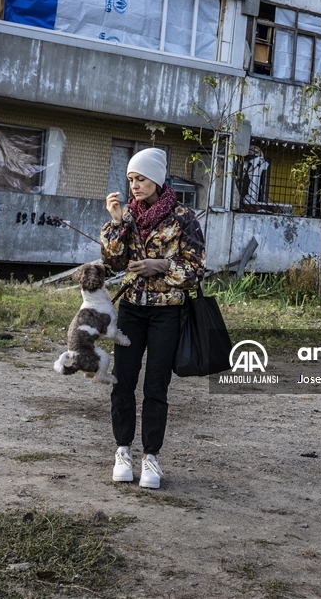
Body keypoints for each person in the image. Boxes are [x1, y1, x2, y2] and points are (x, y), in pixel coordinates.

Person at [100, 148, 205, 489]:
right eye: (130, 179)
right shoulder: (127, 218)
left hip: (167, 313)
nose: (134, 186)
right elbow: (113, 265)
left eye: (141, 179)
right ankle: (122, 451)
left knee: (156, 387)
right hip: (131, 308)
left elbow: (195, 271)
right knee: (123, 382)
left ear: (157, 179)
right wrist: (116, 222)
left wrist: (160, 265)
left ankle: (151, 458)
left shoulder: (184, 218)